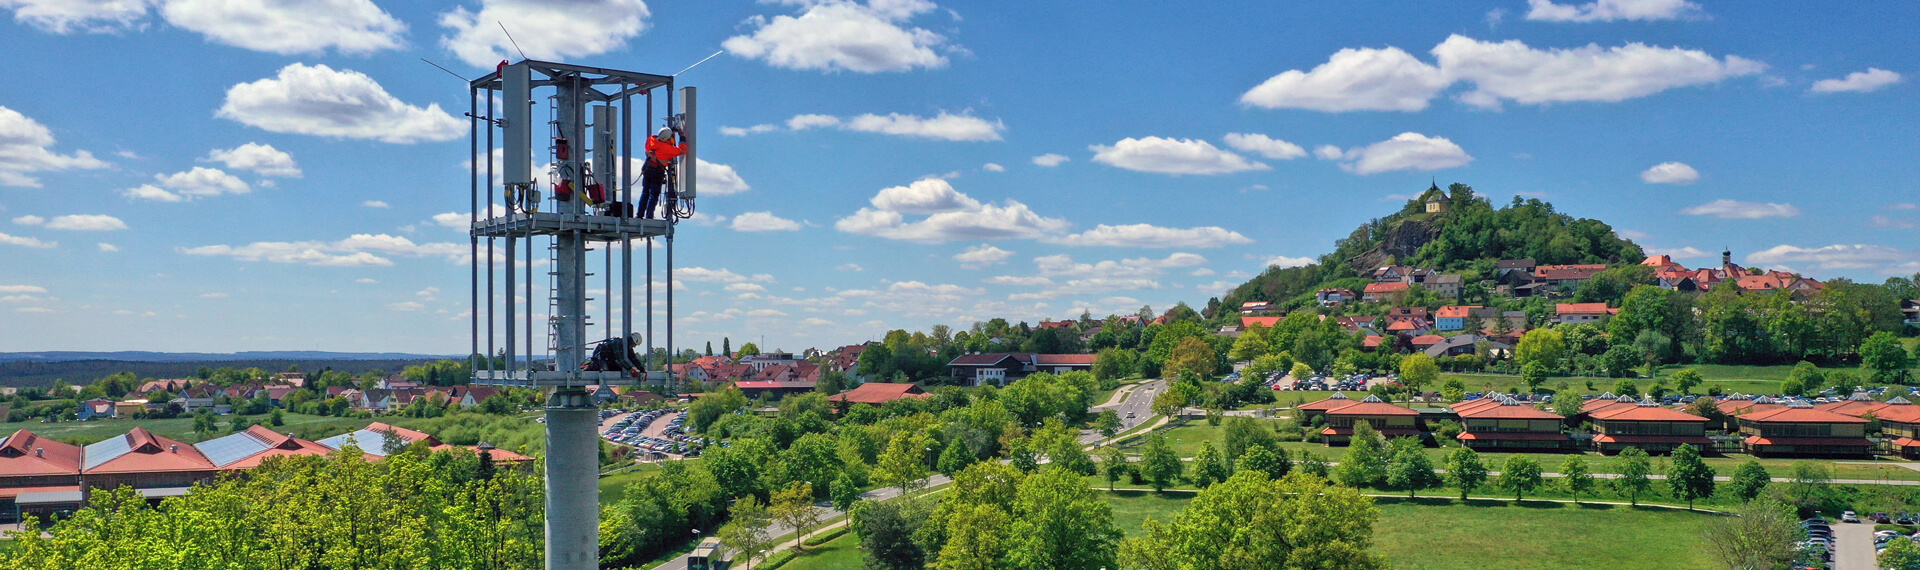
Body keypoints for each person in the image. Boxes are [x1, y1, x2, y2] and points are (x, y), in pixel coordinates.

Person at [639, 125, 686, 218]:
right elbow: (682, 150)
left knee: (645, 193)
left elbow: (663, 142)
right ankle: (649, 216)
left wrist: (670, 135)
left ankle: (639, 215)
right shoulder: (667, 149)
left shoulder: (651, 140)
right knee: (654, 195)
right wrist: (681, 135)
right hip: (657, 172)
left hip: (647, 170)